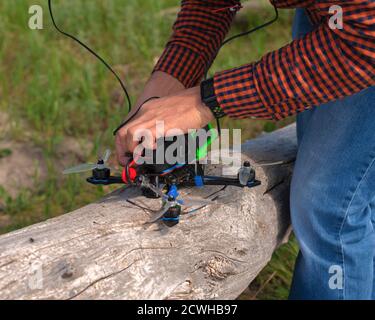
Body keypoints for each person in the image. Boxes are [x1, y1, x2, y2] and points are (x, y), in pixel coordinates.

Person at [115, 0, 375, 299]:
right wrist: (158, 98)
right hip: (335, 15)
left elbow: (365, 40)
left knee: (329, 203)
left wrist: (204, 102)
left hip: (362, 33)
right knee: (359, 188)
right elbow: (209, 5)